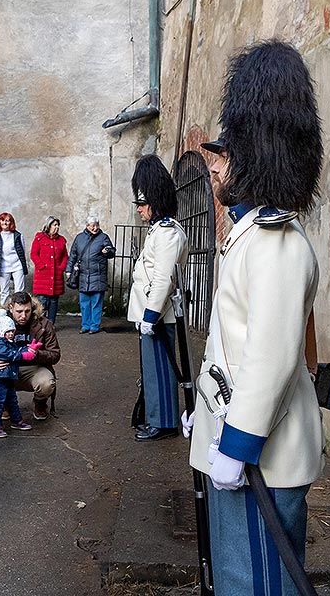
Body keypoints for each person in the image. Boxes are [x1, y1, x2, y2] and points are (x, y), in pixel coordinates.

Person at [185, 41, 325, 595]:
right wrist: (209, 413)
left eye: (223, 154)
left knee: (257, 584)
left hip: (261, 457)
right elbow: (232, 348)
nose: (215, 166)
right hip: (237, 441)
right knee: (238, 578)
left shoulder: (277, 242)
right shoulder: (250, 236)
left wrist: (237, 443)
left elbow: (269, 359)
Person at [127, 154, 189, 442]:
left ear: (154, 203)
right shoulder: (159, 231)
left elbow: (163, 279)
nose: (139, 210)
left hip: (159, 316)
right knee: (151, 371)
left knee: (160, 372)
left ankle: (163, 422)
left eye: (142, 204)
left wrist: (150, 316)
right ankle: (155, 417)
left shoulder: (168, 233)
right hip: (151, 315)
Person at [0, 309, 40, 438]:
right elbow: (8, 355)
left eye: (12, 331)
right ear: (1, 331)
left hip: (7, 376)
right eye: (8, 332)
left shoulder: (7, 342)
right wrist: (24, 355)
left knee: (12, 399)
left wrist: (28, 348)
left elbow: (16, 349)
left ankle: (16, 420)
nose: (11, 334)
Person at [66, 216, 115, 334]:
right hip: (83, 276)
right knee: (84, 303)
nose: (95, 228)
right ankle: (85, 325)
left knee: (96, 303)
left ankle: (94, 326)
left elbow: (112, 251)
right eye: (92, 225)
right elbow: (73, 255)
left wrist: (107, 251)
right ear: (87, 226)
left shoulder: (103, 237)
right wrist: (68, 270)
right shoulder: (79, 238)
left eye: (97, 225)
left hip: (98, 275)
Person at [30, 215, 68, 325]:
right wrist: (41, 265)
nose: (57, 227)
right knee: (42, 301)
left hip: (56, 276)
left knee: (54, 301)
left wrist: (61, 267)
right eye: (54, 225)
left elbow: (65, 256)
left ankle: (51, 324)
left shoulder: (61, 240)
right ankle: (40, 324)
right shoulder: (39, 238)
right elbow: (34, 254)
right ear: (49, 225)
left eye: (58, 225)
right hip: (43, 276)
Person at [0, 212, 28, 304]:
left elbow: (22, 251)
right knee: (4, 292)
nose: (5, 223)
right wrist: (0, 263)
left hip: (17, 266)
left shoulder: (18, 235)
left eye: (7, 221)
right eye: (3, 220)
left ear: (11, 223)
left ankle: (19, 312)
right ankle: (3, 313)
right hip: (3, 267)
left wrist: (20, 264)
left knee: (19, 291)